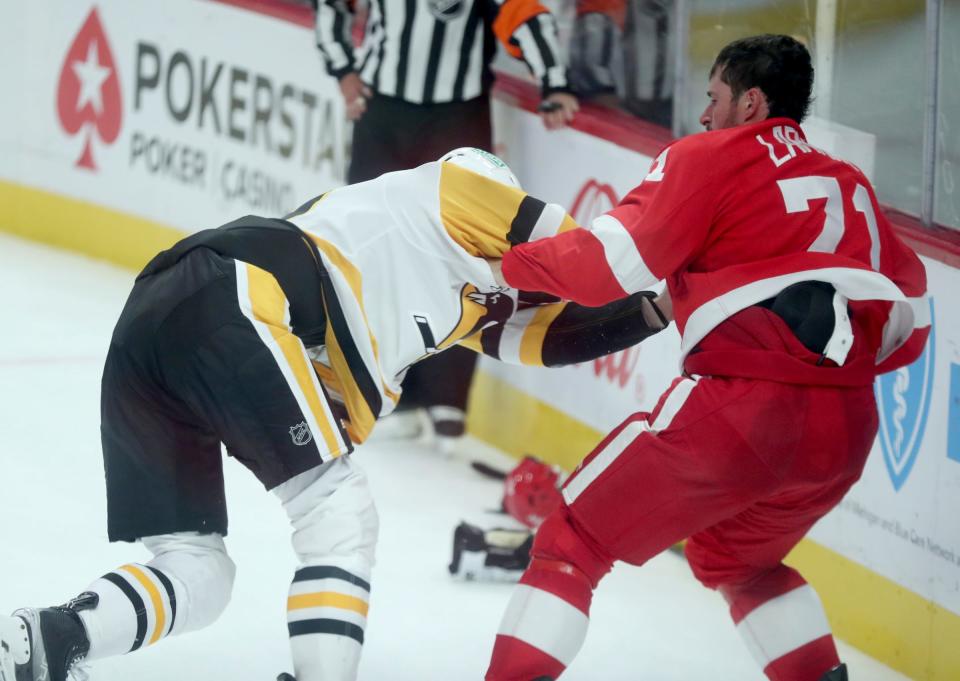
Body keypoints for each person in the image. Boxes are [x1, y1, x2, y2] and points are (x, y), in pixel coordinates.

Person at [0, 148, 669, 681]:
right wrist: (675, 270)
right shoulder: (455, 185)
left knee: (200, 571)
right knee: (339, 516)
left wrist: (652, 314)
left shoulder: (455, 298)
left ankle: (55, 637)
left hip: (152, 319)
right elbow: (586, 250)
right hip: (235, 297)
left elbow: (544, 337)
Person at [483, 35, 929, 681]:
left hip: (744, 412)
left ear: (750, 102)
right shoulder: (849, 181)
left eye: (714, 98)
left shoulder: (709, 158)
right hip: (848, 430)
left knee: (571, 537)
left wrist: (505, 261)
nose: (703, 116)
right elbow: (904, 316)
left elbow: (604, 265)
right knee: (736, 560)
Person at [311, 0, 581, 451]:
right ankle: (376, 383)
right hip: (384, 112)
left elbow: (523, 14)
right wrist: (343, 70)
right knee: (372, 247)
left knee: (464, 252)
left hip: (457, 115)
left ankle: (446, 398)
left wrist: (554, 80)